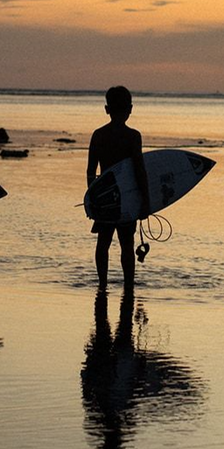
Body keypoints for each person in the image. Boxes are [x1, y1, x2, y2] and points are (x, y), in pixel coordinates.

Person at [86, 86, 149, 293]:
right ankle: (128, 286)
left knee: (103, 243)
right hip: (126, 198)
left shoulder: (98, 135)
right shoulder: (133, 136)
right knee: (126, 244)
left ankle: (102, 284)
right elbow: (139, 170)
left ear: (106, 109)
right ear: (130, 109)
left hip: (105, 198)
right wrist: (146, 199)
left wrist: (94, 200)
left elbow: (90, 171)